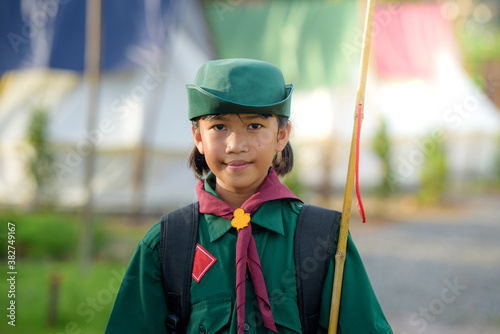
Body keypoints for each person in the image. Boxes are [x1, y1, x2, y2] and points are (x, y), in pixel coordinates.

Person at [105, 58, 393, 333]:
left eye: (254, 126)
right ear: (198, 136)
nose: (235, 145)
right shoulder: (167, 245)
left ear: (282, 135)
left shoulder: (325, 239)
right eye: (219, 127)